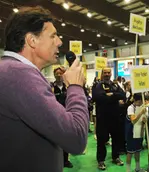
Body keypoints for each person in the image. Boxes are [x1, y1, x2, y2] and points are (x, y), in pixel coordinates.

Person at [0, 6, 89, 172]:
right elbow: (76, 138)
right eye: (53, 36)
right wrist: (75, 87)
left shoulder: (9, 70)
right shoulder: (19, 75)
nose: (60, 42)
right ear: (32, 40)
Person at [92, 68, 126, 170]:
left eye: (108, 72)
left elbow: (123, 95)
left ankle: (115, 157)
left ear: (111, 73)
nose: (107, 74)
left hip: (115, 118)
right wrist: (114, 98)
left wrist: (112, 95)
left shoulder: (115, 85)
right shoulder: (97, 85)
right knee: (101, 140)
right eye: (105, 73)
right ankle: (101, 161)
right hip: (103, 118)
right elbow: (98, 97)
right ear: (102, 74)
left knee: (116, 139)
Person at [52, 67, 73, 168]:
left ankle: (66, 160)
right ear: (54, 75)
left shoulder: (68, 87)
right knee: (55, 140)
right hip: (54, 117)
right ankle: (55, 160)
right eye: (57, 74)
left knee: (66, 139)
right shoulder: (50, 87)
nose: (59, 75)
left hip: (66, 116)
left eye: (61, 73)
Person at [125, 93, 146, 172]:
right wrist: (141, 113)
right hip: (131, 133)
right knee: (130, 152)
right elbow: (133, 121)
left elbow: (143, 120)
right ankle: (128, 170)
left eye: (142, 101)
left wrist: (144, 120)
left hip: (139, 132)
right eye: (140, 101)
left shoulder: (141, 107)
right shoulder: (130, 108)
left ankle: (137, 168)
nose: (141, 103)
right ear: (135, 100)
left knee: (138, 151)